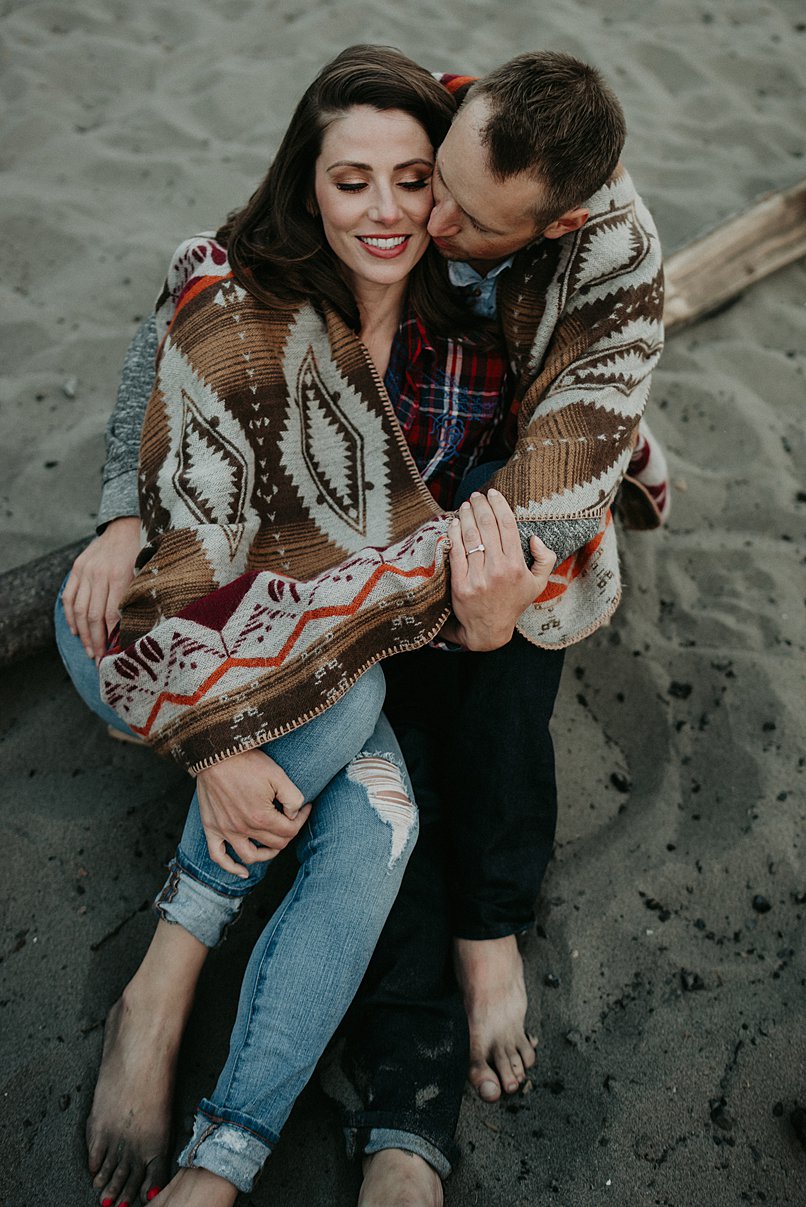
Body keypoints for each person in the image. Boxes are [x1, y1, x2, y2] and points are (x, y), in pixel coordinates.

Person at [60, 46, 665, 1207]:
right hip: (199, 624)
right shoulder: (251, 276)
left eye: (429, 192)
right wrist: (127, 531)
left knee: (403, 775)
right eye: (366, 182)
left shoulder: (482, 331)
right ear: (311, 178)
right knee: (366, 714)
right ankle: (165, 985)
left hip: (365, 637)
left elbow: (577, 408)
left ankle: (228, 1161)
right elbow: (177, 429)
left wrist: (581, 503)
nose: (413, 214)